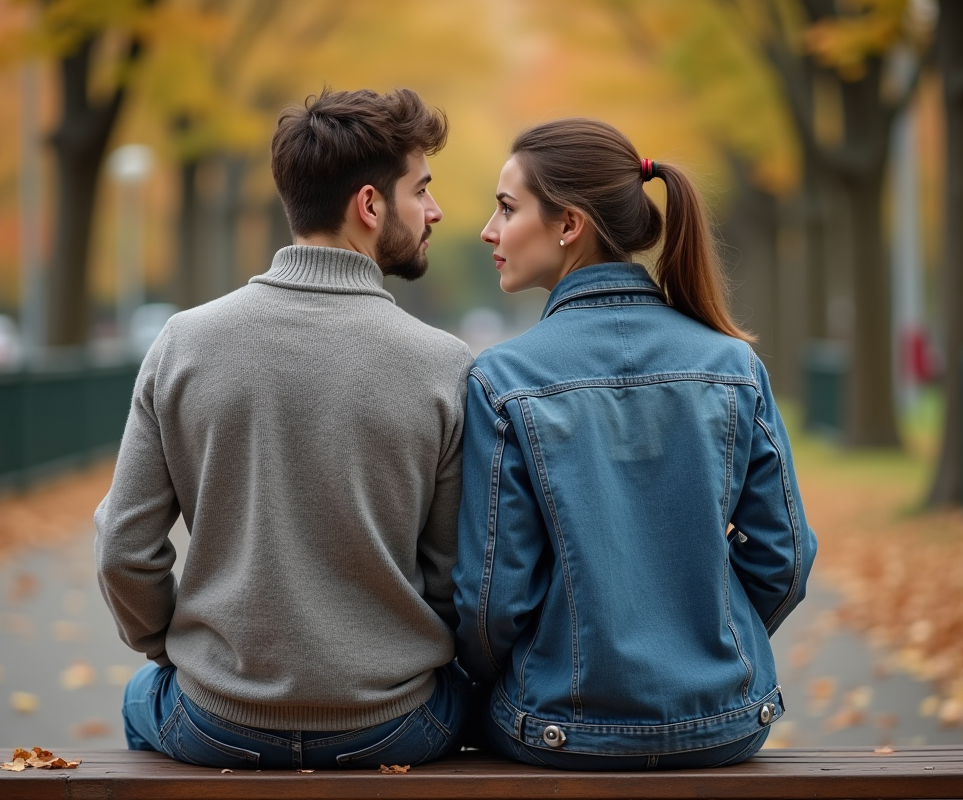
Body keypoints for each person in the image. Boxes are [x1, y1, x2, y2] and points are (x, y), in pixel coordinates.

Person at [95, 87, 476, 770]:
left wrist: (176, 649)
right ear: (369, 205)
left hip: (218, 719)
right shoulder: (443, 365)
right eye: (421, 190)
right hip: (391, 723)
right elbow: (455, 577)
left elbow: (123, 550)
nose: (435, 210)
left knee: (139, 697)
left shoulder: (184, 343)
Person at [453, 118, 817, 771]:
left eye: (506, 208)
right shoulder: (734, 365)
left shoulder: (502, 379)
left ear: (569, 224)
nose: (489, 229)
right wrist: (702, 644)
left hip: (563, 729)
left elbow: (492, 603)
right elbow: (784, 560)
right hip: (726, 724)